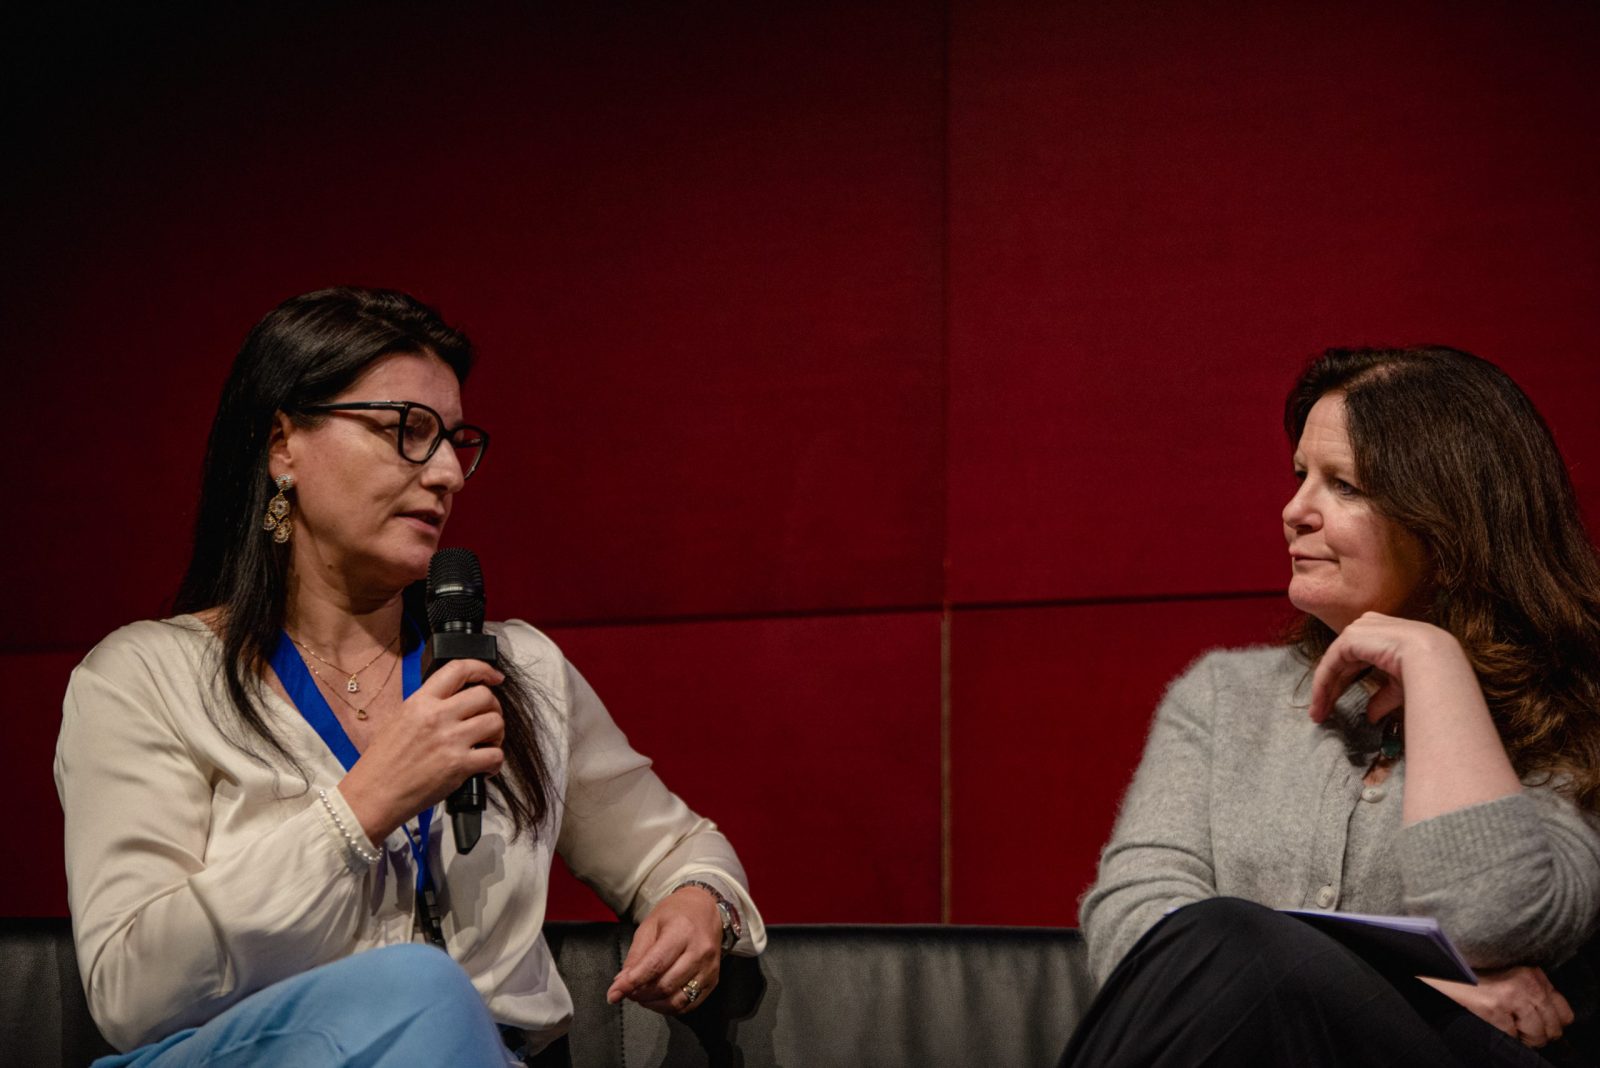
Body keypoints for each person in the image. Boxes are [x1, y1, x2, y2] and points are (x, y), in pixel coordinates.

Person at [55, 287, 766, 1067]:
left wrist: (701, 903)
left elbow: (679, 849)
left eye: (458, 441)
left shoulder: (515, 670)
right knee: (418, 990)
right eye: (410, 432)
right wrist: (361, 808)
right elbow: (130, 993)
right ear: (283, 443)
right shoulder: (145, 679)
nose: (450, 475)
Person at [1063, 346, 1600, 1067]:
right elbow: (1141, 929)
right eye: (1299, 477)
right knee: (1222, 942)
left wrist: (1437, 666)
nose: (1294, 511)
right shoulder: (1224, 697)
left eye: (1342, 485)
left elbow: (1498, 922)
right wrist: (1411, 986)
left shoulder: (1575, 704)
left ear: (1449, 523)